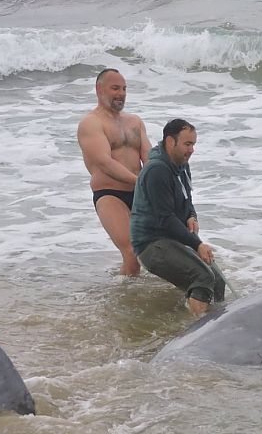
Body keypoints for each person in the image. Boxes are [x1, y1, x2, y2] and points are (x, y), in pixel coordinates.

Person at [131, 119, 225, 315]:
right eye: (187, 144)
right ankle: (199, 330)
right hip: (151, 244)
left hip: (172, 239)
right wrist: (197, 244)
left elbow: (187, 199)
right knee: (203, 278)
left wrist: (191, 215)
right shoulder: (156, 170)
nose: (191, 150)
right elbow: (165, 219)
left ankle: (213, 319)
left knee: (218, 281)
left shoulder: (182, 164)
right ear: (170, 142)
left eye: (193, 144)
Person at [77, 68, 151, 276]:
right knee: (132, 252)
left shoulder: (134, 122)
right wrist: (140, 182)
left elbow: (150, 158)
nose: (121, 93)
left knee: (159, 251)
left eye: (124, 89)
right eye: (115, 88)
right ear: (99, 89)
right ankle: (126, 300)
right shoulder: (91, 123)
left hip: (140, 193)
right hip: (111, 194)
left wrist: (160, 184)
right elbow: (104, 163)